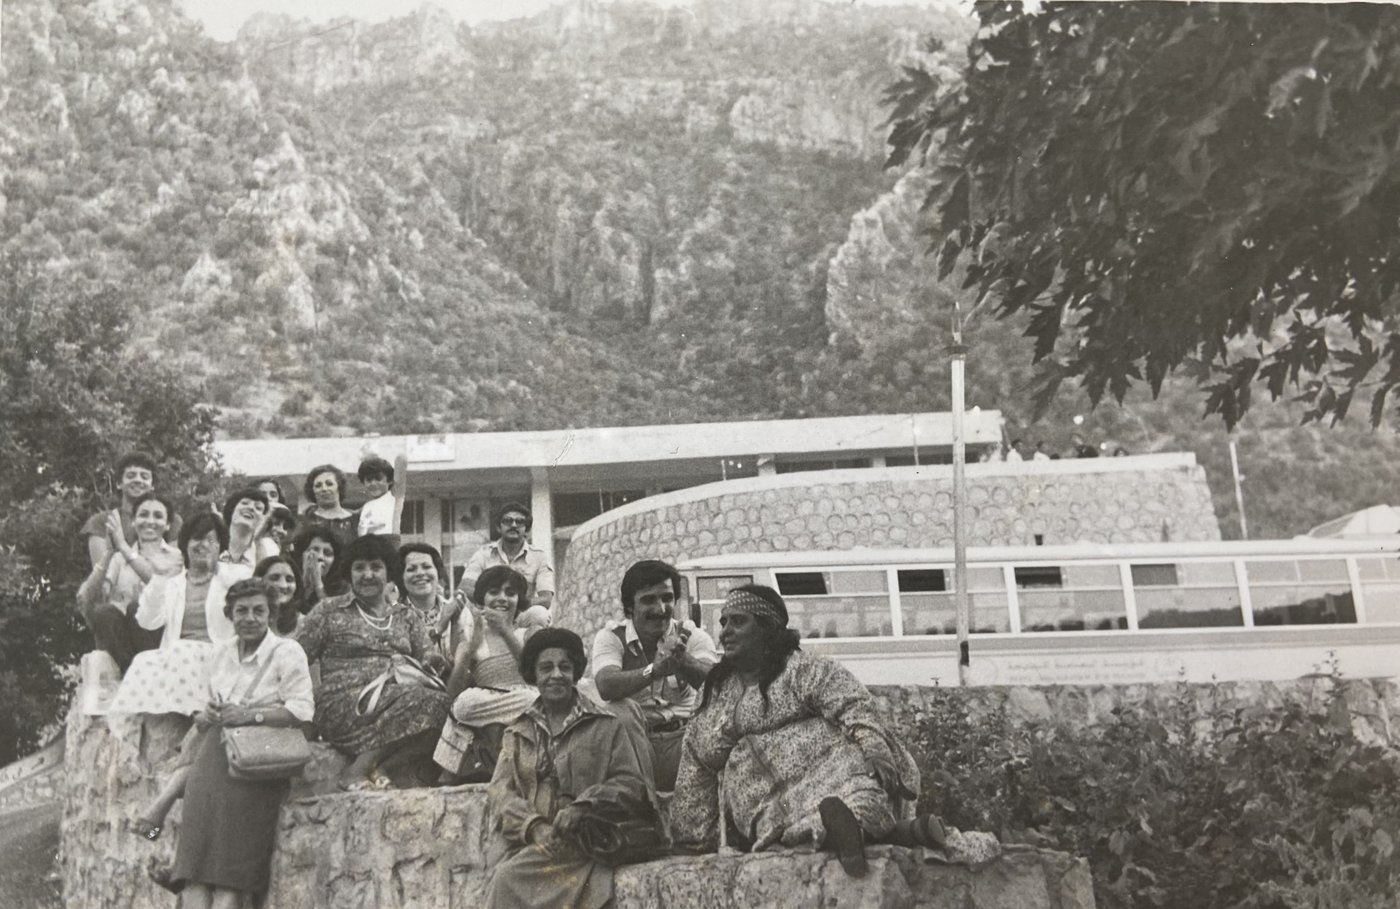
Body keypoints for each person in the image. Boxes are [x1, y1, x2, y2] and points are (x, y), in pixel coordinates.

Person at [669, 585, 944, 878]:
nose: (725, 632)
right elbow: (696, 760)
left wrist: (875, 749)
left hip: (827, 774)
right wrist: (691, 839)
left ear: (767, 628)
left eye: (738, 621)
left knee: (852, 775)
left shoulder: (805, 669)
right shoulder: (715, 692)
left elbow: (854, 705)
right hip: (764, 798)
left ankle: (854, 828)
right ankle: (888, 832)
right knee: (757, 778)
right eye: (723, 622)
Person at [483, 627, 658, 909]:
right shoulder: (517, 732)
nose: (556, 675)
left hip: (586, 844)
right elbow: (501, 793)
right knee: (502, 872)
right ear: (534, 676)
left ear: (576, 672)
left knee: (507, 879)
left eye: (565, 667)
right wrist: (533, 826)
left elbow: (630, 784)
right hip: (533, 842)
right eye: (546, 668)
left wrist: (583, 806)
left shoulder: (605, 724)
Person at [166, 578, 315, 906]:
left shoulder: (286, 652)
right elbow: (200, 711)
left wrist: (249, 715)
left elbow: (302, 712)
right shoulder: (219, 654)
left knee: (230, 874)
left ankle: (155, 813)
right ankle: (155, 821)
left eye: (258, 610)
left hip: (257, 765)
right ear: (230, 616)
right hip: (211, 759)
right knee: (193, 869)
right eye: (241, 611)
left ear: (271, 614)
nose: (250, 618)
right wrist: (207, 714)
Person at [295, 535, 450, 790]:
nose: (368, 575)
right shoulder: (329, 610)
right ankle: (356, 771)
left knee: (445, 707)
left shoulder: (406, 616)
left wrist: (438, 658)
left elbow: (429, 661)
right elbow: (295, 658)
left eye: (376, 567)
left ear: (389, 572)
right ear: (349, 572)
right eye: (359, 568)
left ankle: (382, 767)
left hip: (398, 701)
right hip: (343, 705)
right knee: (428, 702)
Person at [108, 513, 254, 717]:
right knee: (144, 660)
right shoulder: (172, 583)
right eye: (196, 539)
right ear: (185, 545)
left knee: (182, 655)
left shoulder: (235, 577)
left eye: (210, 539)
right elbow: (148, 622)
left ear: (220, 546)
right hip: (179, 660)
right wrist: (159, 577)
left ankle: (198, 717)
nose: (202, 544)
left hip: (221, 657)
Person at [588, 559, 718, 790]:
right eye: (648, 600)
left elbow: (717, 686)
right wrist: (654, 670)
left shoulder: (693, 635)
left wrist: (682, 661)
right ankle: (643, 804)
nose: (660, 609)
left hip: (683, 741)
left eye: (667, 598)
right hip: (635, 746)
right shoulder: (611, 637)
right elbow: (606, 685)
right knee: (620, 711)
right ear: (630, 607)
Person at [433, 566, 544, 784]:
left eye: (510, 593)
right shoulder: (471, 639)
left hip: (522, 701)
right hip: (486, 702)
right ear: (482, 598)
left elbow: (534, 675)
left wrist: (505, 631)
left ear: (519, 600)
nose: (502, 598)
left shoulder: (528, 634)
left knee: (532, 699)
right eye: (494, 592)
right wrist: (467, 651)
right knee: (465, 701)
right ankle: (447, 774)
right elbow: (453, 694)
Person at [77, 491, 183, 671]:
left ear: (167, 525)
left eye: (158, 516)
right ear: (133, 522)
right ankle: (131, 672)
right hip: (123, 645)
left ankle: (141, 672)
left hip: (158, 640)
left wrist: (124, 547)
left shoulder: (176, 558)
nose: (150, 521)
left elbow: (159, 585)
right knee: (104, 612)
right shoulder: (119, 558)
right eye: (143, 515)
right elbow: (88, 597)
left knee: (138, 607)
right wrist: (109, 554)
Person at [83, 451, 184, 570]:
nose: (138, 480)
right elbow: (100, 574)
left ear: (152, 485)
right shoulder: (102, 522)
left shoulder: (170, 519)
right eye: (131, 476)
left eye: (144, 477)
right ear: (119, 483)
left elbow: (172, 570)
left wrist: (122, 547)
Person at [460, 503, 555, 609]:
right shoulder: (483, 554)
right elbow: (465, 587)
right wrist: (494, 602)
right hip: (489, 611)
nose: (513, 525)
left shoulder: (539, 557)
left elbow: (546, 599)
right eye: (507, 521)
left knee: (539, 614)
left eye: (519, 522)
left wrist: (512, 605)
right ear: (498, 527)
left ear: (526, 530)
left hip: (521, 612)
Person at [300, 464, 357, 546]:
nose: (324, 489)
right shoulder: (306, 519)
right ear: (312, 490)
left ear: (339, 487)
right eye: (318, 486)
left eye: (329, 484)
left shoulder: (355, 520)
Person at [357, 453, 408, 541]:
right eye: (369, 480)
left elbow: (401, 460)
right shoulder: (366, 507)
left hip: (388, 546)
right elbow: (361, 533)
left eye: (378, 478)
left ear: (389, 480)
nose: (373, 483)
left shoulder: (395, 501)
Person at [291, 524, 343, 610]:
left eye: (327, 553)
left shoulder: (341, 589)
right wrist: (306, 585)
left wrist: (318, 584)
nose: (320, 557)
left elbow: (334, 617)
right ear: (301, 554)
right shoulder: (287, 578)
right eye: (314, 550)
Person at [220, 487, 273, 569]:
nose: (251, 508)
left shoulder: (267, 553)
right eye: (245, 503)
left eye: (258, 508)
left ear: (262, 520)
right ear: (231, 510)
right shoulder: (213, 546)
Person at [256, 555, 305, 636]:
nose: (283, 585)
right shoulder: (248, 619)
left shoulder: (304, 623)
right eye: (274, 578)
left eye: (289, 580)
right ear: (259, 581)